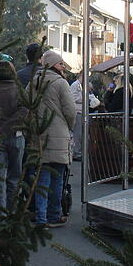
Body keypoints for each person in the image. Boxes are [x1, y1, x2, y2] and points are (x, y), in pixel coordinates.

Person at [29, 50, 77, 228]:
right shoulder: (61, 83)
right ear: (52, 64)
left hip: (39, 134)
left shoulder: (33, 82)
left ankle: (40, 217)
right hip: (58, 135)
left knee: (41, 179)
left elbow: (26, 105)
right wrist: (69, 126)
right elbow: (70, 111)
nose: (63, 67)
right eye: (61, 63)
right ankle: (54, 215)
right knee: (57, 178)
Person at [0, 60, 29, 213]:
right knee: (14, 178)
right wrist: (8, 127)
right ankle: (12, 214)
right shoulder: (19, 90)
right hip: (16, 136)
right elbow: (24, 111)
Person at [68, 72, 100, 161]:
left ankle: (80, 151)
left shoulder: (82, 86)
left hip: (83, 112)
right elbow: (73, 98)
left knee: (82, 133)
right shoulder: (75, 85)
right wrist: (86, 98)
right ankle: (76, 153)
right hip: (78, 112)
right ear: (81, 76)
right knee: (77, 133)